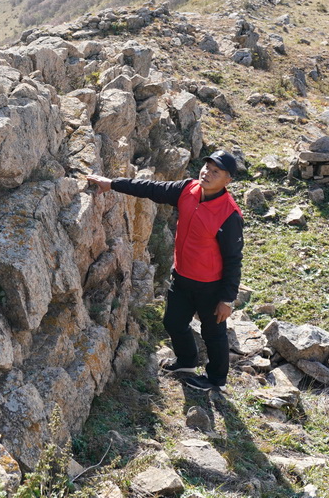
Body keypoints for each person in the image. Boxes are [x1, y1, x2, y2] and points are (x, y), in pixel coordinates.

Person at [86, 150, 243, 392]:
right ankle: (187, 362)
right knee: (173, 322)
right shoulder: (187, 189)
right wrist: (112, 184)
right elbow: (151, 188)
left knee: (213, 334)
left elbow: (233, 259)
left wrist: (227, 299)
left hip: (211, 286)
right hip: (181, 276)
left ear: (227, 180)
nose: (207, 173)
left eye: (215, 172)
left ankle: (215, 380)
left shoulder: (229, 214)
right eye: (206, 167)